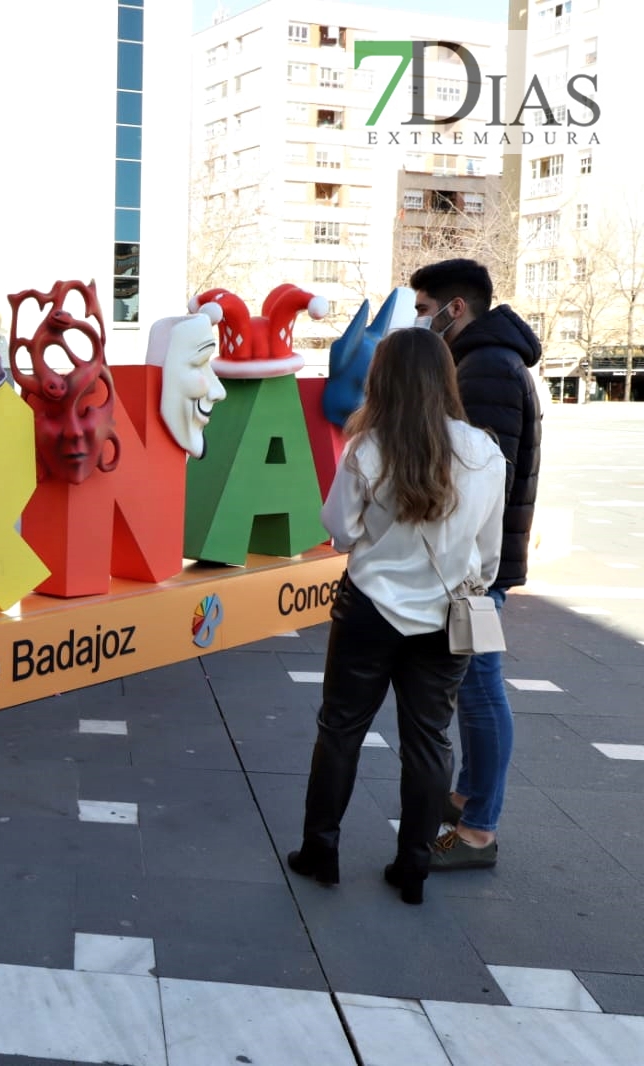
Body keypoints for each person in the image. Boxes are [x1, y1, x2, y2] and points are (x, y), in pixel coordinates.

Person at [288, 328, 506, 905]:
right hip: (444, 619)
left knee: (340, 730)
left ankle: (321, 851)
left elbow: (339, 530)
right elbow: (489, 556)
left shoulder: (368, 447)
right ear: (445, 376)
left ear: (382, 378)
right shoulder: (484, 452)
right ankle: (413, 867)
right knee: (430, 741)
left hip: (370, 609)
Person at [410, 259, 542, 871]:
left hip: (474, 572)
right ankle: (467, 799)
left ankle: (478, 830)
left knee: (482, 690)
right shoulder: (490, 360)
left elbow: (481, 477)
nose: (420, 320)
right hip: (476, 568)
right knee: (471, 688)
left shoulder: (485, 366)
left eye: (422, 308)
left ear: (454, 307)